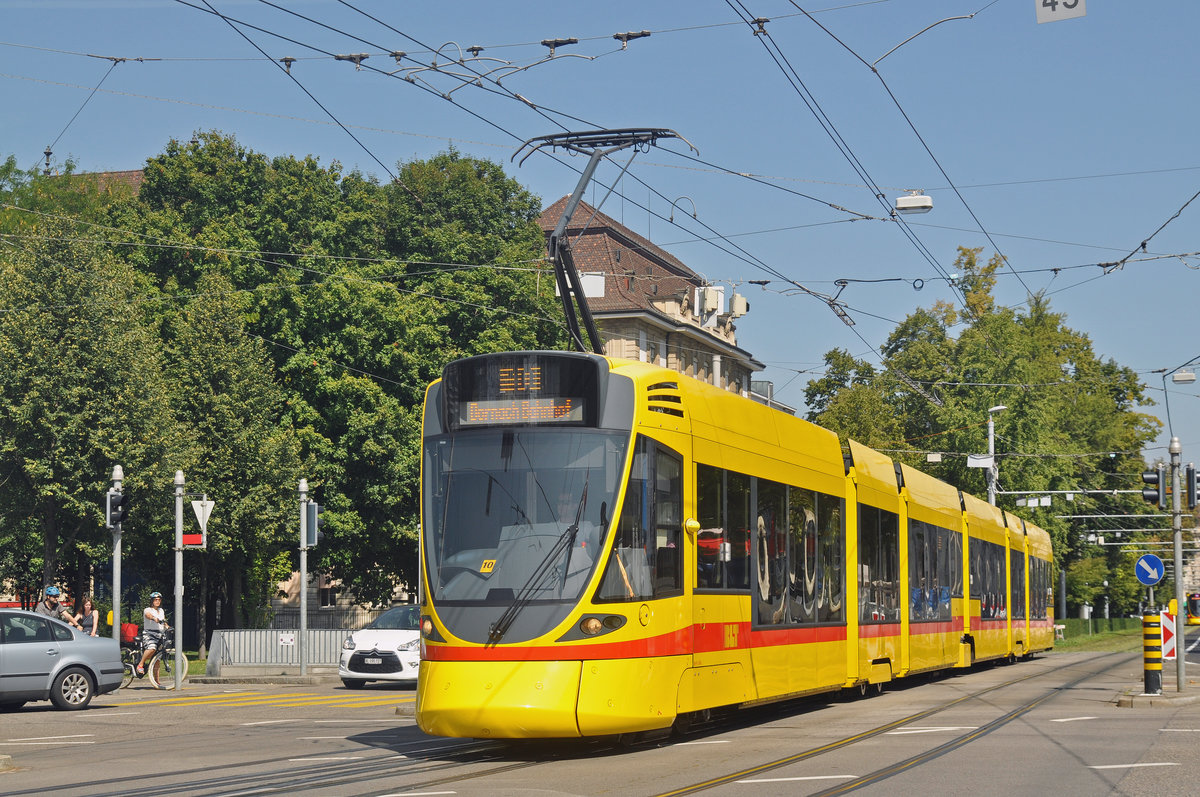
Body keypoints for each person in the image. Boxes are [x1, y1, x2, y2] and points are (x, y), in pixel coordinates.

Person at [137, 592, 170, 676]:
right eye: (155, 600)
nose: (157, 601)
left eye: (159, 600)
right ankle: (140, 665)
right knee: (152, 648)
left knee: (157, 658)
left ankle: (157, 682)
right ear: (152, 601)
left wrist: (168, 627)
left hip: (160, 635)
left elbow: (164, 622)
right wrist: (154, 618)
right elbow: (148, 615)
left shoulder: (161, 610)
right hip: (149, 633)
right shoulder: (148, 609)